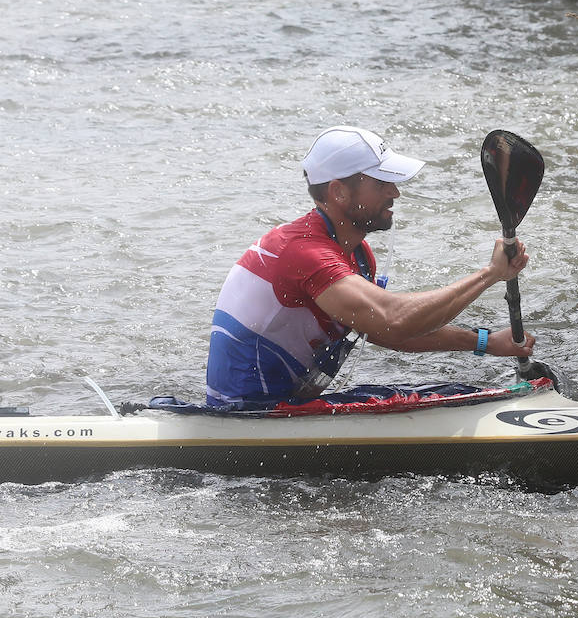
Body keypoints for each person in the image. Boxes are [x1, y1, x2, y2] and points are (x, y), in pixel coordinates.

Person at [206, 126, 535, 407]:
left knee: (457, 395)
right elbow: (394, 321)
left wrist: (486, 343)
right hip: (246, 416)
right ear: (339, 192)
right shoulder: (302, 252)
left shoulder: (357, 255)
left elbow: (384, 331)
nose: (395, 193)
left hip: (291, 408)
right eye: (381, 183)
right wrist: (490, 274)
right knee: (461, 400)